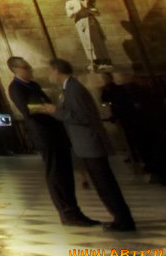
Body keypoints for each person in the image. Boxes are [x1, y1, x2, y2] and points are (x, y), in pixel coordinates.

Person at [7, 55, 93, 226]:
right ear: (16, 70)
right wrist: (50, 108)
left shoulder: (33, 85)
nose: (30, 70)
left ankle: (74, 209)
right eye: (26, 68)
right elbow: (27, 109)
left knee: (65, 172)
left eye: (29, 66)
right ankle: (67, 212)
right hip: (43, 134)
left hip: (55, 132)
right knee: (56, 173)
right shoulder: (16, 88)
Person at [52, 57, 136, 231]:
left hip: (90, 143)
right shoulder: (69, 88)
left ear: (57, 71)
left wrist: (56, 112)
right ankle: (120, 218)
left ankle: (123, 220)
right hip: (85, 144)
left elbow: (82, 117)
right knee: (102, 184)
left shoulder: (73, 89)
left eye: (50, 71)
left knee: (105, 184)